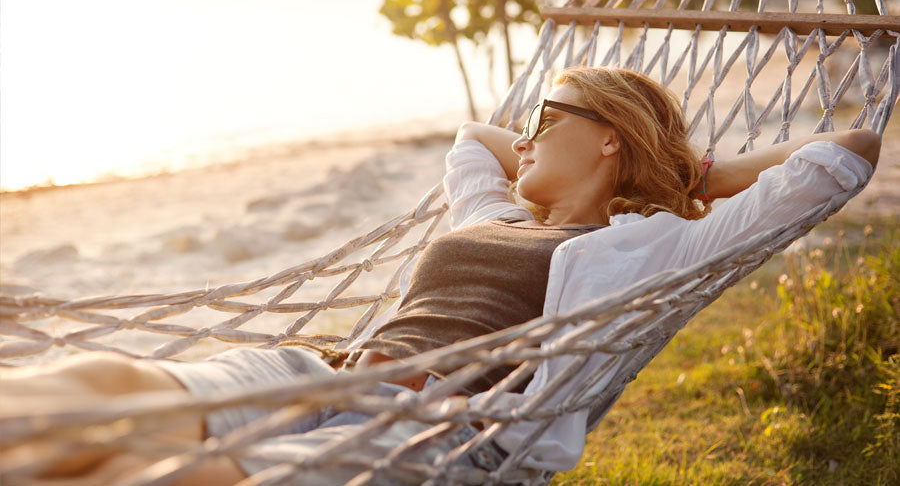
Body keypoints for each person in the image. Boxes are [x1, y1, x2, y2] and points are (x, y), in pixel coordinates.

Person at [0, 67, 881, 485]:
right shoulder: (489, 213)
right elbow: (474, 138)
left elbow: (844, 156)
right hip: (324, 372)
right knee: (102, 387)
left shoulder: (653, 251)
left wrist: (689, 175)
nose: (522, 134)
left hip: (436, 430)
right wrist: (553, 140)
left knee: (146, 471)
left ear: (609, 135)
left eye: (545, 116)